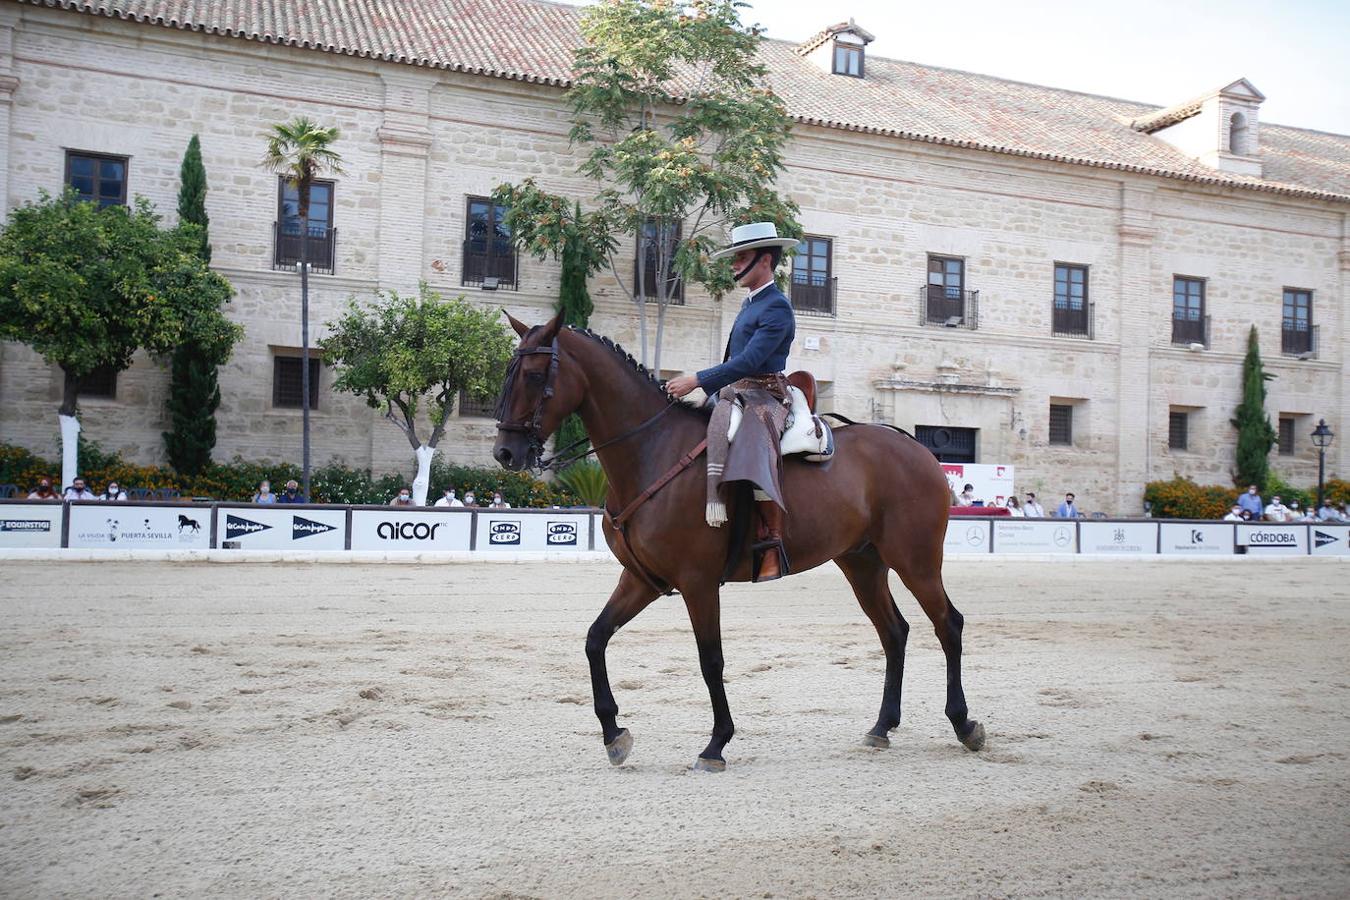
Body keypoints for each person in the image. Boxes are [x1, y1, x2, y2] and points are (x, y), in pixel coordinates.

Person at [665, 222, 799, 582]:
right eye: (735, 257)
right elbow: (733, 360)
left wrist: (698, 380)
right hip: (737, 390)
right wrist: (711, 391)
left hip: (765, 394)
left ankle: (772, 541)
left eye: (741, 257)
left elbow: (750, 361)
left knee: (750, 443)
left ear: (765, 260)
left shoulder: (777, 308)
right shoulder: (750, 303)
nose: (734, 264)